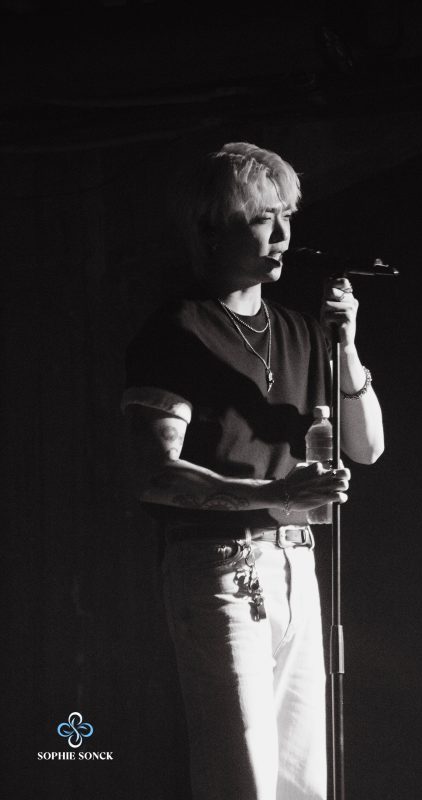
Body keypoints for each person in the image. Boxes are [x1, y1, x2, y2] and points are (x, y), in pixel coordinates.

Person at [122, 142, 384, 800]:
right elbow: (156, 472)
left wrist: (347, 346)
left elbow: (368, 447)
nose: (284, 236)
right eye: (264, 219)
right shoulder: (179, 330)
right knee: (243, 775)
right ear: (213, 228)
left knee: (303, 779)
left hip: (297, 560)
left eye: (287, 216)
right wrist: (277, 491)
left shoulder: (302, 332)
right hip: (218, 565)